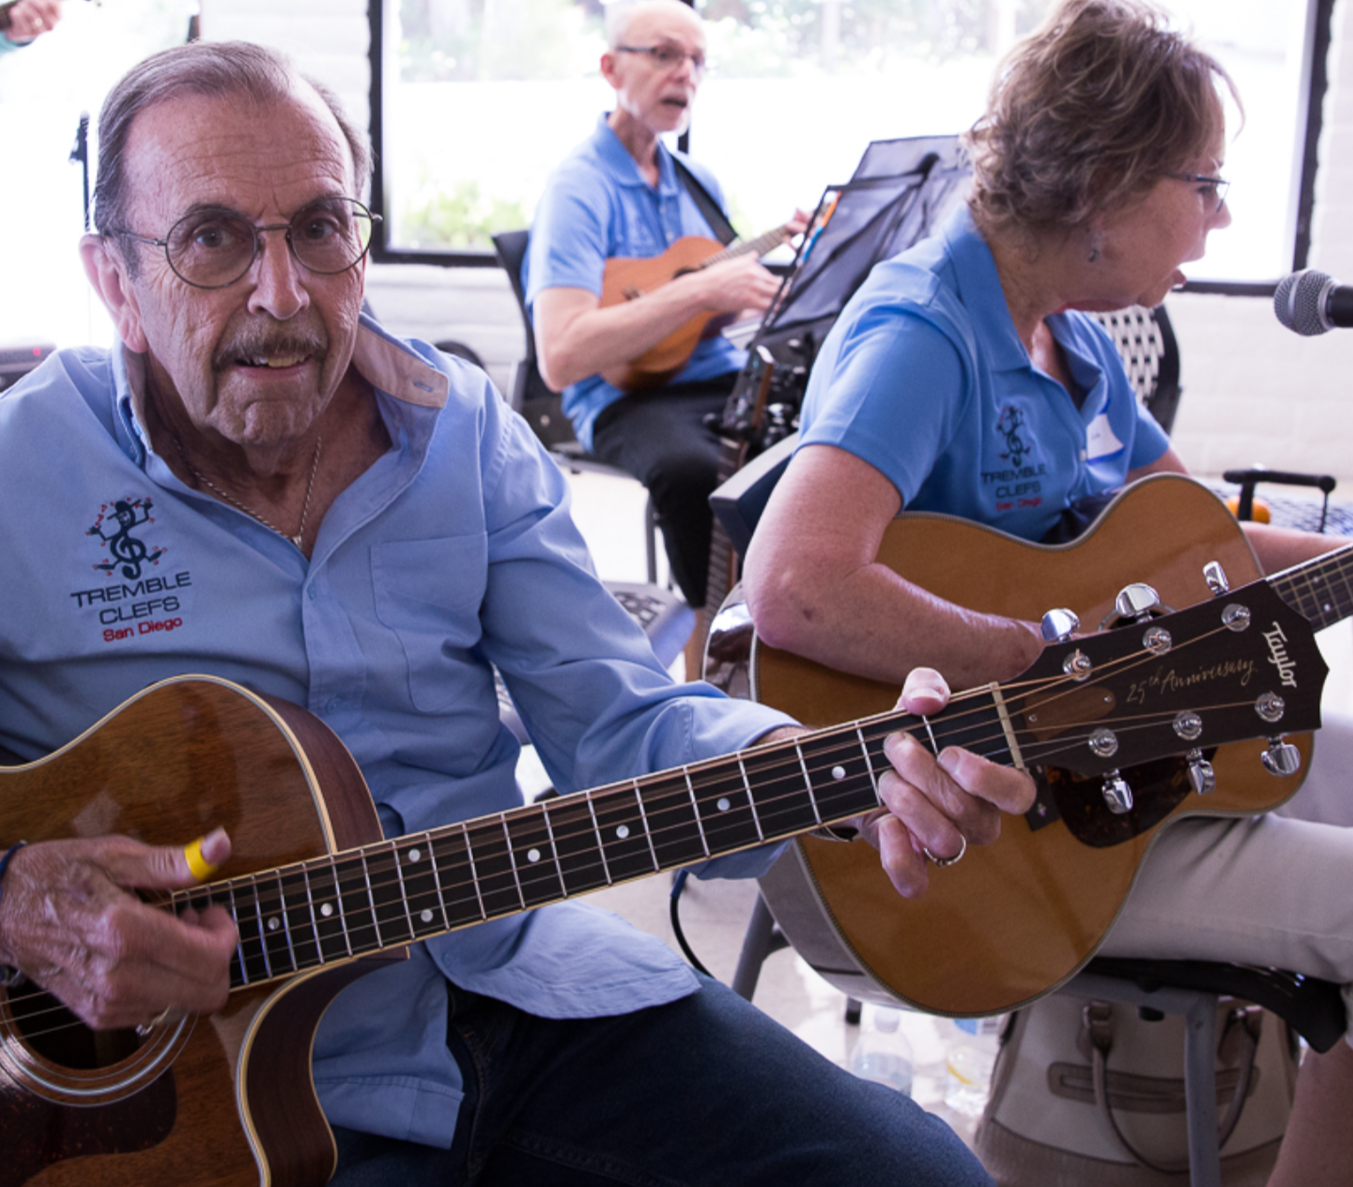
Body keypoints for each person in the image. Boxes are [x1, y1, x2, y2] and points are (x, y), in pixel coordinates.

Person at [0, 39, 1032, 1186]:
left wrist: (838, 770)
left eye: (320, 228)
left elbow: (619, 724)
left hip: (505, 985)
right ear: (113, 282)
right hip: (198, 1102)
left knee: (923, 1174)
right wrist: (14, 900)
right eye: (212, 239)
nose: (282, 295)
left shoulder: (463, 435)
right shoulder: (20, 469)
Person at [740, 0, 1353, 1180]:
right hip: (1025, 821)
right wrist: (1042, 659)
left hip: (1136, 762)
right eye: (1206, 181)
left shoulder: (1066, 338)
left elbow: (1201, 546)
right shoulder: (929, 329)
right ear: (1108, 183)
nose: (1219, 216)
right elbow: (796, 586)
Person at [526, 0, 804, 614]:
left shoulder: (696, 180)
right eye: (664, 55)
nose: (686, 74)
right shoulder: (578, 188)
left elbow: (701, 319)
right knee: (693, 473)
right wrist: (702, 290)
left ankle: (793, 608)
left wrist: (737, 300)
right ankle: (718, 638)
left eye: (699, 61)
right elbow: (562, 354)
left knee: (813, 439)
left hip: (715, 378)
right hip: (624, 398)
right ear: (610, 68)